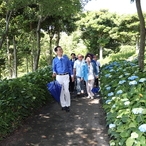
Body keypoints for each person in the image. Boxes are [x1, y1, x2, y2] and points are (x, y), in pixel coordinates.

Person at [52, 46, 74, 112]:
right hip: (59, 76)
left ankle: (68, 104)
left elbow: (70, 67)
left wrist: (72, 75)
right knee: (61, 91)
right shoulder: (55, 60)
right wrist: (54, 73)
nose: (61, 51)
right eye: (59, 50)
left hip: (66, 75)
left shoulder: (66, 58)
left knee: (66, 90)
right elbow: (54, 68)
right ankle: (63, 105)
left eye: (61, 49)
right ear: (56, 52)